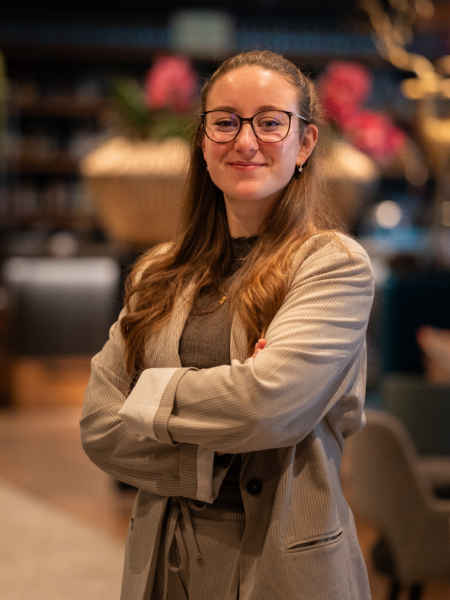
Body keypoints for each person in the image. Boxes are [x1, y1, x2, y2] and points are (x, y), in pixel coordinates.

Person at [80, 50, 374, 600]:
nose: (245, 141)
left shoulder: (333, 265)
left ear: (304, 143)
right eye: (225, 122)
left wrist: (149, 395)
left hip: (286, 569)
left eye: (270, 122)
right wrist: (214, 443)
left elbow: (266, 406)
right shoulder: (156, 272)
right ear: (202, 139)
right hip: (164, 565)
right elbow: (99, 425)